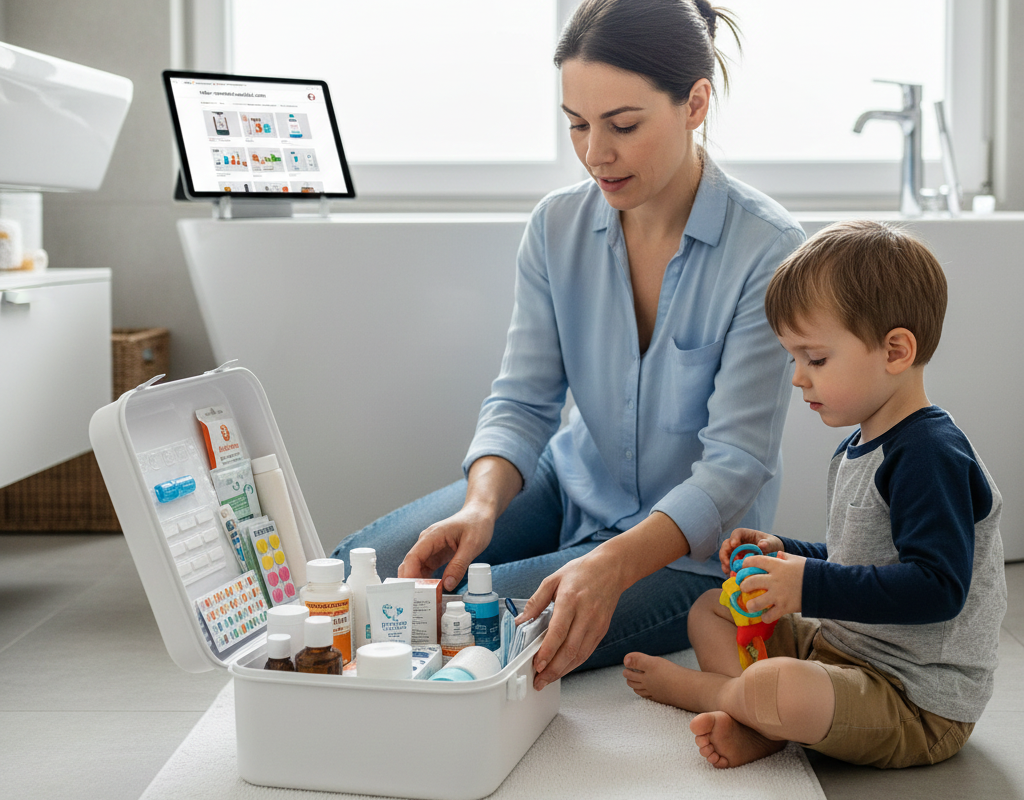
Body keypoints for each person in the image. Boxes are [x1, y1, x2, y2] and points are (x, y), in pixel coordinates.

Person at [333, 0, 805, 690]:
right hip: (565, 484)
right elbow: (522, 401)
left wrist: (612, 562)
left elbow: (734, 468)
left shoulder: (769, 250)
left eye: (622, 125)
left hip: (684, 552)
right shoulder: (556, 227)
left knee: (462, 621)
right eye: (578, 125)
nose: (594, 154)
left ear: (695, 103)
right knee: (359, 573)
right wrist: (482, 506)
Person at [622, 220, 1008, 770]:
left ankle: (715, 694)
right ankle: (760, 720)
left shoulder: (930, 455)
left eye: (816, 359)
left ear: (896, 351)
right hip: (843, 649)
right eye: (793, 358)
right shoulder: (863, 443)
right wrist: (788, 553)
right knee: (712, 608)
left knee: (785, 687)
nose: (799, 378)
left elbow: (936, 588)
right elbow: (864, 562)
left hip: (912, 697)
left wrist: (805, 586)